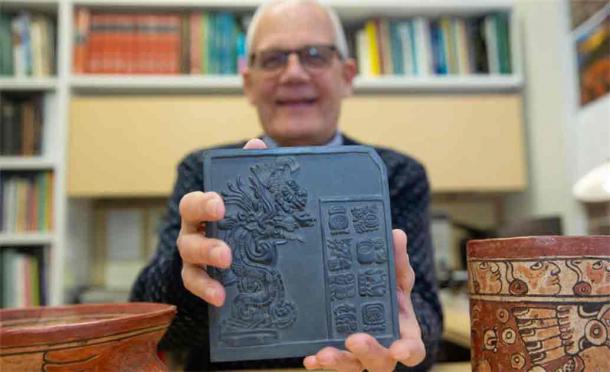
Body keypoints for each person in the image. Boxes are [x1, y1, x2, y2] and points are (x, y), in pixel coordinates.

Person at [130, 0, 443, 370]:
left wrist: (401, 340)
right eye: (274, 58)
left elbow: (424, 324)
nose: (294, 73)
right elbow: (149, 326)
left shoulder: (396, 174)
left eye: (315, 55)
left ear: (346, 76)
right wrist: (187, 275)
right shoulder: (204, 173)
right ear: (248, 82)